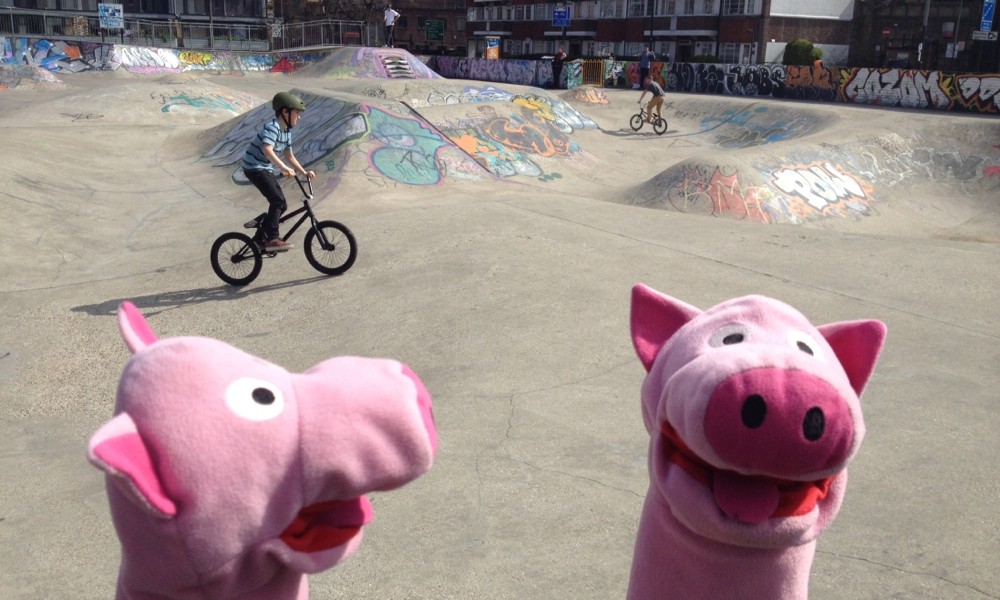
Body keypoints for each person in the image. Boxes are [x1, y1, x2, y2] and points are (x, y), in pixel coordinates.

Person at [242, 92, 316, 252]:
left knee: (282, 205)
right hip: (253, 167)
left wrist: (304, 172)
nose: (299, 117)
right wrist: (283, 168)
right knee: (277, 201)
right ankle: (272, 238)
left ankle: (261, 230)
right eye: (297, 113)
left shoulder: (286, 132)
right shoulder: (272, 127)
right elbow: (267, 149)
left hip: (265, 168)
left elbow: (289, 155)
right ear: (285, 112)